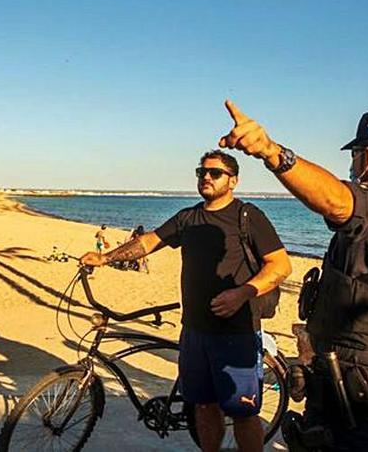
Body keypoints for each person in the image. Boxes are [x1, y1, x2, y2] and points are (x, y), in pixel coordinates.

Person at [218, 100, 368, 451]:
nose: (352, 166)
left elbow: (337, 201)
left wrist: (270, 152)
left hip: (361, 407)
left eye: (355, 156)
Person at [81, 149, 292, 452]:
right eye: (201, 172)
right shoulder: (188, 218)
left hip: (237, 333)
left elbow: (280, 266)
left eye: (215, 172)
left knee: (243, 414)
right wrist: (105, 257)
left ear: (233, 180)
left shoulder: (248, 216)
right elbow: (148, 242)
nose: (206, 177)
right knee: (203, 407)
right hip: (194, 331)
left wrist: (242, 292)